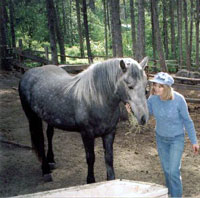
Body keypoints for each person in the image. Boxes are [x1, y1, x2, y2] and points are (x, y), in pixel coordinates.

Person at [147, 72, 199, 198]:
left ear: (167, 87)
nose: (156, 88)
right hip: (161, 138)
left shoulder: (179, 99)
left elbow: (187, 121)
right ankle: (170, 194)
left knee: (173, 171)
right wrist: (132, 110)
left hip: (177, 139)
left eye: (160, 86)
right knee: (166, 171)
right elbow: (144, 116)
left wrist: (194, 141)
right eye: (155, 85)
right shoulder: (152, 99)